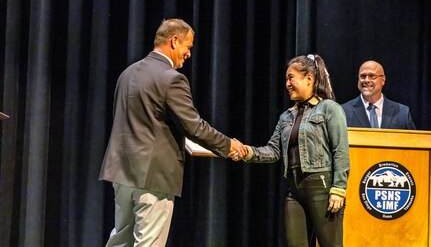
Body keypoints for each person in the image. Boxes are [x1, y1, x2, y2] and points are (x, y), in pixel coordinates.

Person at [99, 18, 247, 246]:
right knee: (148, 243)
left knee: (120, 241)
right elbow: (194, 126)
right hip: (154, 176)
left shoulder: (127, 73)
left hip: (121, 172)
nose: (188, 54)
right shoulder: (172, 79)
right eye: (188, 47)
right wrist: (229, 145)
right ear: (174, 41)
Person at [232, 54, 350, 247]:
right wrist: (247, 152)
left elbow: (341, 150)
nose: (287, 83)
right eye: (287, 78)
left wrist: (338, 189)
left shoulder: (329, 109)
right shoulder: (286, 116)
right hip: (294, 189)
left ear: (309, 79)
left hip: (322, 186)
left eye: (291, 77)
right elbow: (273, 150)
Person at [341, 60, 416, 129]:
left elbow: (413, 141)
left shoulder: (402, 113)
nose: (366, 80)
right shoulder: (343, 111)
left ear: (383, 80)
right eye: (363, 76)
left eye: (372, 76)